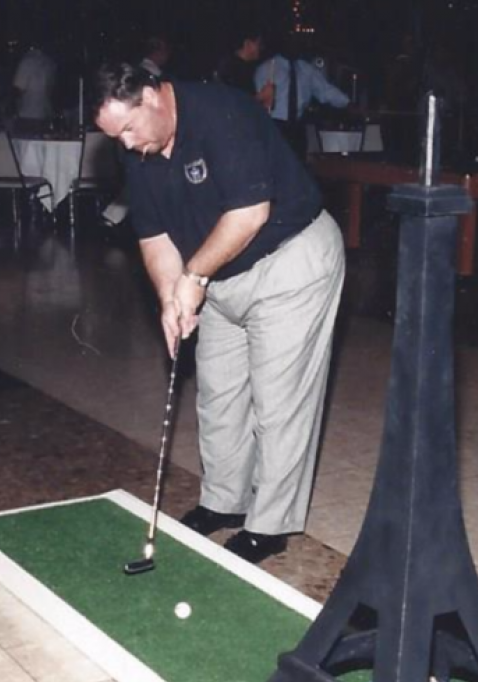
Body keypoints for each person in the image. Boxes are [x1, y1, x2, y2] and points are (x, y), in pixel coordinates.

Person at [93, 62, 346, 565]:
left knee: (278, 401)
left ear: (153, 95)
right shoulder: (140, 152)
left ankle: (270, 525)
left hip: (289, 261)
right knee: (218, 394)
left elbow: (250, 214)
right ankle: (224, 502)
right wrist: (170, 297)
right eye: (113, 135)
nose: (124, 143)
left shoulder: (222, 111)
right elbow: (154, 236)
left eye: (127, 128)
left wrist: (193, 278)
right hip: (218, 274)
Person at [254, 41, 350, 157]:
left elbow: (325, 91)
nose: (295, 46)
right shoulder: (267, 68)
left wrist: (348, 102)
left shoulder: (306, 69)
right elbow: (256, 102)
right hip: (275, 126)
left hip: (297, 128)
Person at [11, 41, 56, 135]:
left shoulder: (27, 62)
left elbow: (17, 90)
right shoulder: (49, 62)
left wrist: (12, 111)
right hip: (44, 116)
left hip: (27, 117)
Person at [214, 27, 266, 99]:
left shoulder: (243, 67)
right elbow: (237, 101)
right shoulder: (232, 67)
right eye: (259, 43)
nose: (261, 48)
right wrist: (261, 96)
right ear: (247, 44)